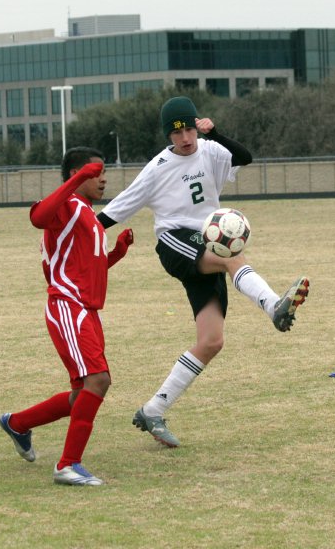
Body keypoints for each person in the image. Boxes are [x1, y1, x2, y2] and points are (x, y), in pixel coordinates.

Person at [95, 96, 309, 448]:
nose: (185, 138)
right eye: (176, 132)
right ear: (168, 135)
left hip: (206, 240)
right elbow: (115, 211)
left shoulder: (209, 149)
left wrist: (218, 133)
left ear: (197, 125)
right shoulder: (158, 168)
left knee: (211, 342)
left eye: (189, 128)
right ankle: (274, 307)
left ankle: (153, 410)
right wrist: (69, 235)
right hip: (176, 243)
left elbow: (244, 158)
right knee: (230, 255)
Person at [0, 148, 134, 486]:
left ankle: (17, 423)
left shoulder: (87, 214)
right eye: (97, 172)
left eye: (104, 173)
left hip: (85, 309)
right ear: (79, 172)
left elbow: (88, 269)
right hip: (67, 306)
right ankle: (68, 465)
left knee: (81, 395)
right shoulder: (68, 206)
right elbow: (37, 216)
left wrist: (116, 252)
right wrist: (76, 180)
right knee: (98, 380)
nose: (104, 179)